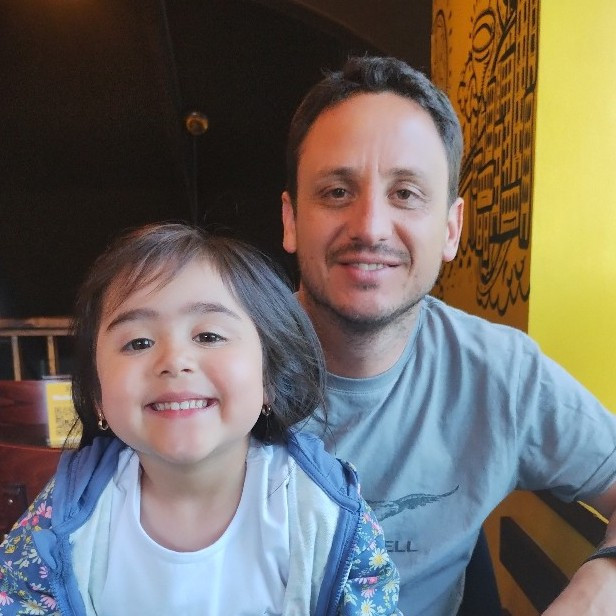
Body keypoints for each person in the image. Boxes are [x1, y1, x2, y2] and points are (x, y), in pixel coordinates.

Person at [280, 55, 616, 615]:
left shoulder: (501, 374)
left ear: (451, 229)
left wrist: (598, 587)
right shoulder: (211, 366)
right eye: (337, 192)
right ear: (291, 220)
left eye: (406, 193)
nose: (370, 227)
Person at [0, 223, 401, 615]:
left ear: (269, 379)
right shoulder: (63, 516)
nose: (174, 360)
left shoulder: (325, 510)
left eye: (208, 336)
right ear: (96, 395)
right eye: (138, 342)